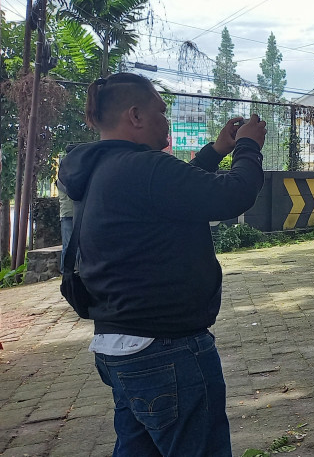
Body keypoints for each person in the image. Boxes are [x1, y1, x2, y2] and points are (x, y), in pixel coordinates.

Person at [58, 72, 266, 456]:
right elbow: (232, 195)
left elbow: (179, 188)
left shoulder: (104, 170)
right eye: (160, 109)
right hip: (166, 350)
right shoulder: (144, 168)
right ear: (135, 116)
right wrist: (249, 147)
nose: (166, 119)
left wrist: (217, 149)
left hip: (118, 345)